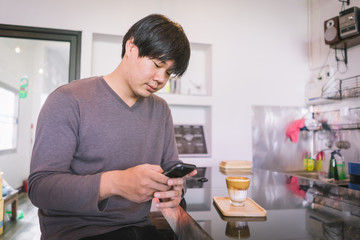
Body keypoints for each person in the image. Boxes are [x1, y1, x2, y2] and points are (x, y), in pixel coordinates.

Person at [28, 14, 196, 240]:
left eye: (168, 72)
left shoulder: (160, 109)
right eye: (157, 64)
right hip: (80, 232)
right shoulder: (68, 100)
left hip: (141, 227)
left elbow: (171, 166)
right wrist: (115, 183)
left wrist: (176, 188)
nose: (160, 79)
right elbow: (40, 189)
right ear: (131, 48)